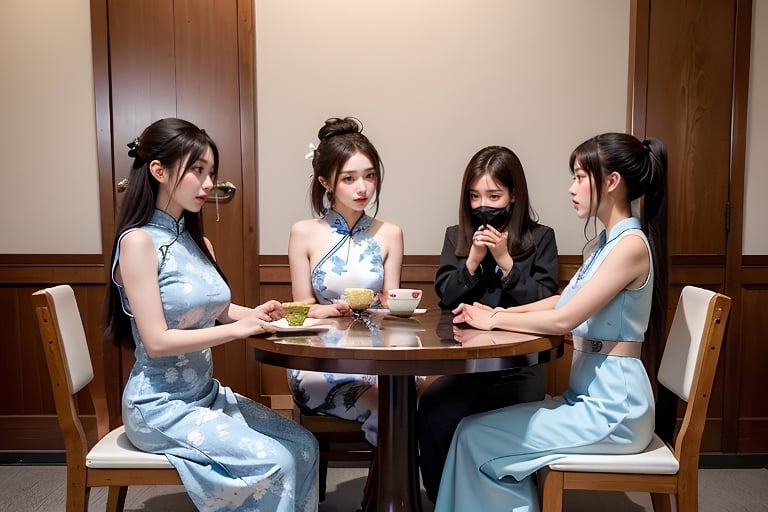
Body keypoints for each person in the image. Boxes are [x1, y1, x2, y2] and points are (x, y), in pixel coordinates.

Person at [435, 132, 668, 512]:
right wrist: (498, 314)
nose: (571, 187)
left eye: (580, 176)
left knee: (475, 436)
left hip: (614, 409)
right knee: (469, 432)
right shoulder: (606, 243)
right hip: (589, 398)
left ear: (611, 182)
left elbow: (566, 319)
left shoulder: (630, 246)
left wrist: (494, 322)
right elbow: (563, 299)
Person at [103, 118, 319, 512]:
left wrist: (254, 314)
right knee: (276, 461)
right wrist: (238, 332)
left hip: (204, 396)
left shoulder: (196, 240)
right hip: (158, 407)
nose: (207, 184)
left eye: (211, 173)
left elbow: (218, 311)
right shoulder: (138, 243)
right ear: (159, 171)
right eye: (197, 171)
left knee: (303, 446)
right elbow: (157, 341)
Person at [417, 145, 559, 503]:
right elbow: (446, 298)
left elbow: (545, 300)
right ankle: (442, 500)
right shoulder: (457, 235)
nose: (484, 204)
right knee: (432, 411)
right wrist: (472, 261)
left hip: (519, 368)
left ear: (513, 196)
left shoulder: (540, 239)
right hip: (468, 368)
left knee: (479, 426)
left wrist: (506, 261)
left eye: (494, 195)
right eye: (475, 195)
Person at [287, 116, 404, 446]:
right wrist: (329, 312)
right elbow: (300, 309)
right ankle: (387, 496)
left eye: (369, 176)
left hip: (376, 351)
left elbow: (392, 307)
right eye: (349, 178)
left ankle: (388, 491)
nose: (362, 188)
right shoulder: (304, 233)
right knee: (387, 405)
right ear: (326, 182)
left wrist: (387, 307)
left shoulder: (390, 234)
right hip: (319, 356)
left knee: (417, 395)